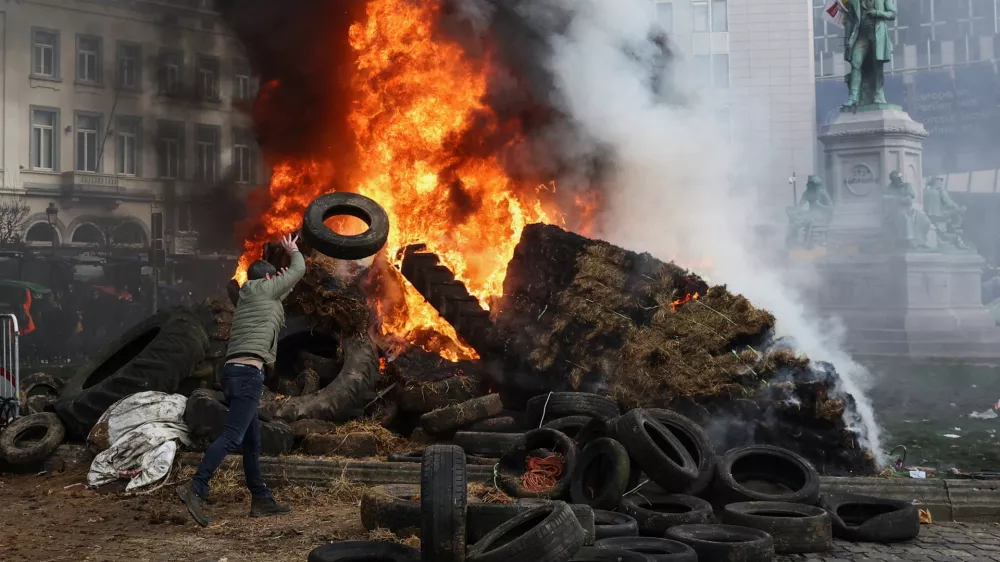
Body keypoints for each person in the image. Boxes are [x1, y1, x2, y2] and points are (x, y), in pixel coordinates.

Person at [177, 233, 306, 527]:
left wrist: (282, 279)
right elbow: (299, 271)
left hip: (234, 372)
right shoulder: (264, 291)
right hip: (248, 373)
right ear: (269, 278)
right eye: (275, 278)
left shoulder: (251, 294)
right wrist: (293, 250)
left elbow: (282, 291)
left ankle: (260, 498)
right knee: (233, 436)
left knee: (252, 441)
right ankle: (196, 487)